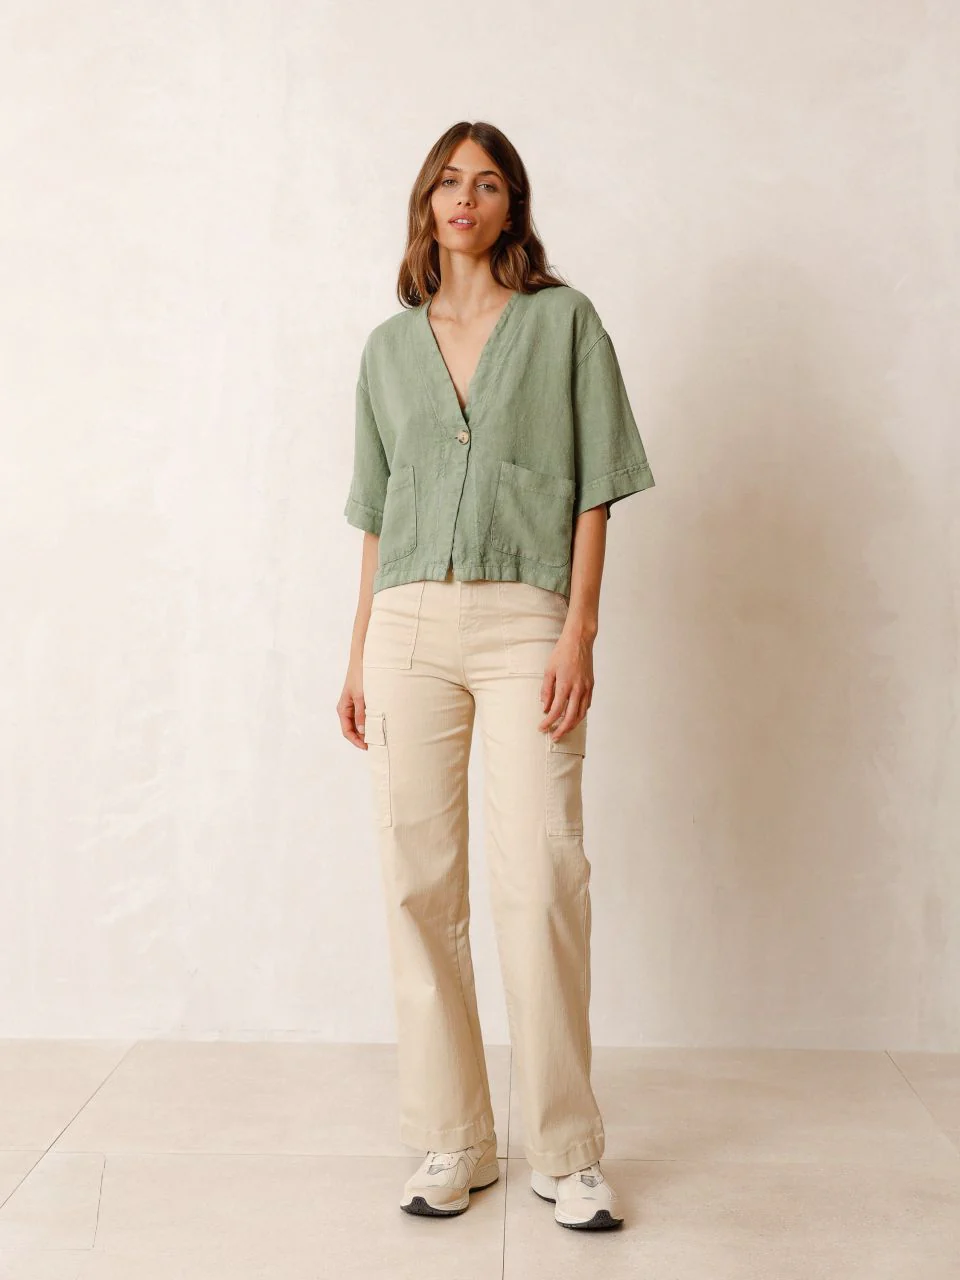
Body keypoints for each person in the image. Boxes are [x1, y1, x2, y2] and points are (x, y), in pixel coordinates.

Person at [337, 121, 655, 1231]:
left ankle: (566, 1149)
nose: (463, 198)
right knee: (418, 883)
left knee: (543, 877)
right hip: (407, 628)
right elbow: (377, 515)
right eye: (447, 182)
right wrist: (356, 650)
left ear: (511, 203)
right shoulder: (387, 349)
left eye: (485, 183)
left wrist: (581, 632)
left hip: (528, 623)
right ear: (427, 202)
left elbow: (597, 486)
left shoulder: (565, 323)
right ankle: (454, 1138)